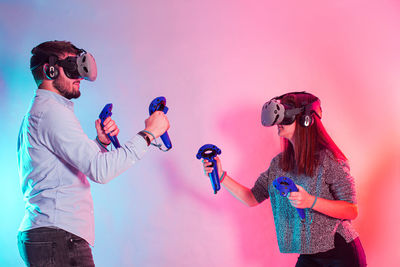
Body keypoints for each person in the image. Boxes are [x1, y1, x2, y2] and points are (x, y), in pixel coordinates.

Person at [17, 40, 169, 266]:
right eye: (71, 68)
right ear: (50, 70)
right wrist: (148, 133)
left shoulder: (46, 110)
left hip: (53, 236)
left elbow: (65, 169)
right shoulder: (51, 113)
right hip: (57, 238)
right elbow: (101, 171)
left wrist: (100, 143)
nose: (79, 75)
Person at [202, 92, 366, 266]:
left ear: (306, 120)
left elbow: (351, 210)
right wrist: (221, 176)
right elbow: (252, 198)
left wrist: (310, 201)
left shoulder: (329, 160)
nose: (279, 123)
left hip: (340, 253)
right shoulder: (280, 164)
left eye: (286, 117)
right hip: (308, 254)